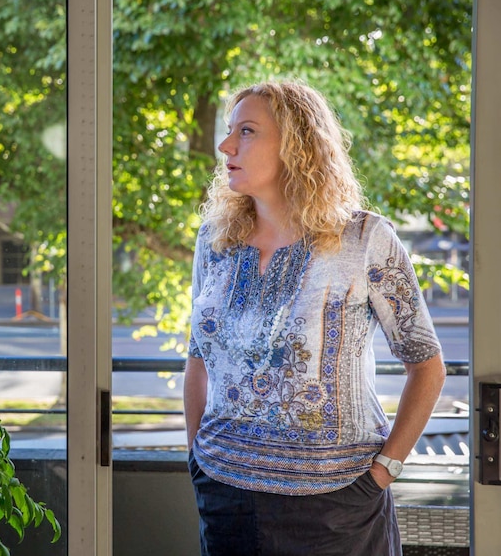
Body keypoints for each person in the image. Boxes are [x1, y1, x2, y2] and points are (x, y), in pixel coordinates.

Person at [183, 80, 446, 556]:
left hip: (337, 506)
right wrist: (197, 459)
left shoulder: (366, 238)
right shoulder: (215, 241)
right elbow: (197, 358)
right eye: (229, 131)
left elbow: (426, 363)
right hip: (225, 494)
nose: (225, 146)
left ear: (296, 143)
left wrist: (384, 471)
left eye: (245, 131)